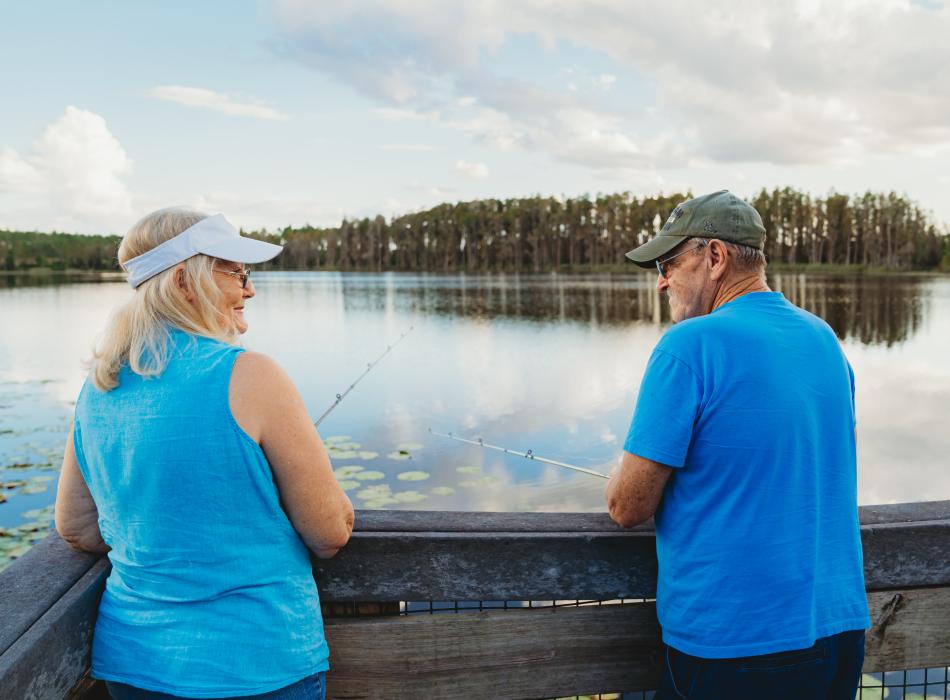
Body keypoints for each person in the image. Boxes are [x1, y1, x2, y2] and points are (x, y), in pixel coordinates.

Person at [54, 208, 354, 700]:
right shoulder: (252, 374)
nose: (250, 290)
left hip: (135, 666)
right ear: (183, 281)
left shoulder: (99, 384)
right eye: (236, 273)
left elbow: (78, 528)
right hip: (256, 664)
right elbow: (328, 533)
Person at [604, 191, 870, 699]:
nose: (661, 280)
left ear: (715, 257)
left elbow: (627, 505)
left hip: (735, 647)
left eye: (667, 263)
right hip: (838, 633)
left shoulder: (689, 345)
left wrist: (620, 471)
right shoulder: (824, 340)